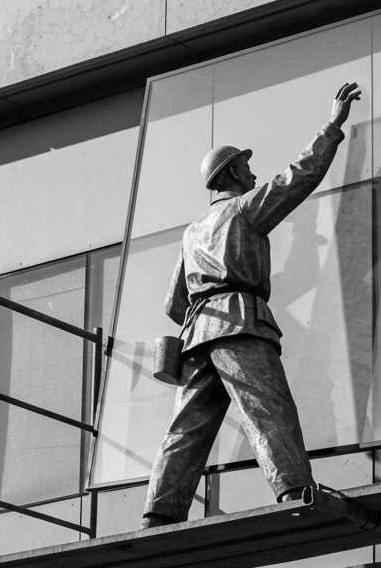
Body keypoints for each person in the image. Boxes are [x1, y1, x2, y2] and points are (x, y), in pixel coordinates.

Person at [142, 81, 363, 529]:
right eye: (245, 166)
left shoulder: (192, 232)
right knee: (267, 406)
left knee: (186, 428)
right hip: (240, 325)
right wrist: (333, 126)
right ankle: (294, 488)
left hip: (196, 336)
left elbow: (173, 302)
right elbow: (298, 177)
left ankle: (160, 511)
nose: (253, 172)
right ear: (229, 176)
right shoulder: (242, 210)